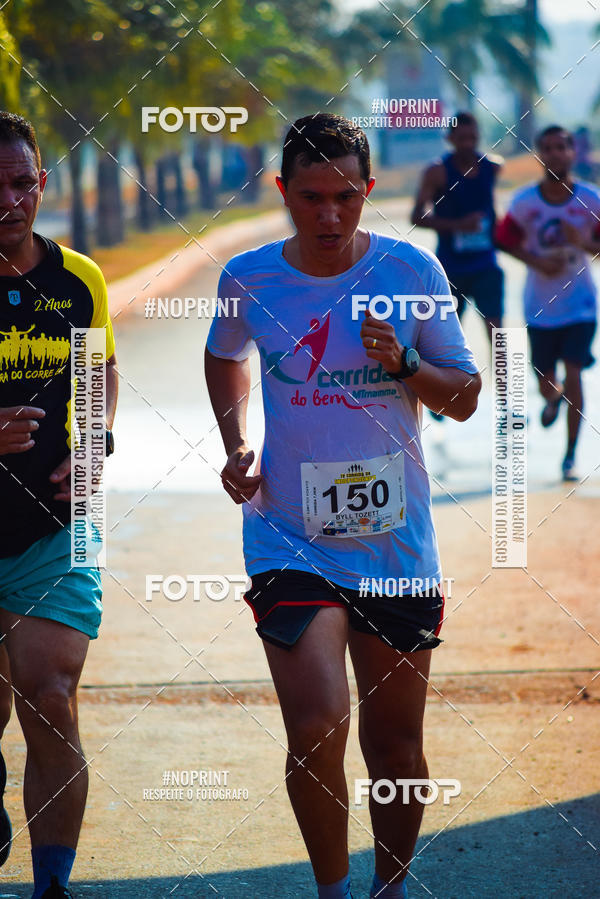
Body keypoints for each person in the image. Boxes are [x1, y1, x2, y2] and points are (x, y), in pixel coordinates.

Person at [205, 113, 481, 898]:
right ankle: (331, 892)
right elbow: (223, 355)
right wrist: (235, 442)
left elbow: (462, 398)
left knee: (395, 747)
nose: (329, 217)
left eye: (346, 197)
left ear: (367, 190)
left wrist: (406, 362)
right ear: (284, 191)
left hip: (396, 545)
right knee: (317, 723)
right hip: (289, 536)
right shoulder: (249, 278)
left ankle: (389, 888)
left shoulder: (413, 272)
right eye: (312, 198)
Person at [0, 112, 117, 897]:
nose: (7, 201)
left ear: (41, 184)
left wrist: (93, 447)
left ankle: (51, 885)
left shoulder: (79, 279)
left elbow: (95, 376)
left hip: (52, 529)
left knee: (51, 699)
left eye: (20, 183)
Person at [495, 124, 600, 480]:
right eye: (548, 148)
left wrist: (583, 243)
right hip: (540, 306)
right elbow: (504, 240)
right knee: (544, 379)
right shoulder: (525, 202)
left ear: (573, 153)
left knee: (575, 374)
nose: (555, 154)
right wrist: (537, 261)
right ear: (539, 156)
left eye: (562, 147)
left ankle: (570, 455)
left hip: (581, 304)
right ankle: (552, 398)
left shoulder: (591, 200)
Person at [411, 111, 504, 347]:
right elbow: (416, 216)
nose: (468, 144)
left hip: (486, 263)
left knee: (498, 334)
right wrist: (457, 226)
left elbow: (492, 205)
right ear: (449, 139)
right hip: (450, 267)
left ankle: (506, 385)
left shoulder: (492, 167)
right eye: (462, 138)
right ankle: (452, 384)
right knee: (447, 338)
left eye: (472, 138)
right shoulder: (437, 171)